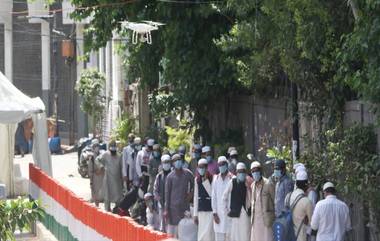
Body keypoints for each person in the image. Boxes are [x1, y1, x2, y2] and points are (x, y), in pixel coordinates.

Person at [164, 154, 194, 237]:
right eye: (175, 160)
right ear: (173, 163)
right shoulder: (170, 177)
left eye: (179, 160)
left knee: (184, 231)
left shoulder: (187, 173)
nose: (178, 162)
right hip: (172, 208)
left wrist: (191, 194)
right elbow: (167, 194)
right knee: (172, 233)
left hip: (184, 207)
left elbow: (194, 185)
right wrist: (166, 210)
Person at [223, 162, 251, 241]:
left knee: (245, 235)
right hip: (235, 214)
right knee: (235, 236)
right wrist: (226, 211)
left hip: (245, 215)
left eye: (243, 171)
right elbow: (224, 197)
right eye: (239, 171)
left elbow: (250, 198)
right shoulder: (232, 182)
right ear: (236, 172)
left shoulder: (248, 182)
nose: (241, 173)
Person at [285, 170, 313, 241]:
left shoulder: (288, 196)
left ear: (296, 183)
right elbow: (312, 223)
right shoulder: (307, 201)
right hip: (300, 237)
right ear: (306, 185)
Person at [250, 161, 275, 241]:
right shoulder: (252, 185)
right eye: (253, 171)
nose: (255, 173)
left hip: (266, 220)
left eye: (256, 170)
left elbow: (275, 200)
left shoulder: (268, 183)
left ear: (260, 171)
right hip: (255, 221)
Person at [96, 141, 123, 211]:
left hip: (117, 180)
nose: (113, 152)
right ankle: (107, 211)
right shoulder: (105, 154)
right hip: (108, 178)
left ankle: (117, 210)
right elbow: (97, 160)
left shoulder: (119, 156)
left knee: (118, 196)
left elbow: (122, 168)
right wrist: (101, 166)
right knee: (107, 196)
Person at [193, 158, 215, 241]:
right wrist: (195, 214)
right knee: (201, 236)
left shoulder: (212, 178)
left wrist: (206, 181)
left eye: (203, 167)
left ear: (206, 168)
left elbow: (212, 194)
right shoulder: (197, 179)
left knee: (209, 235)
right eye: (199, 167)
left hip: (210, 211)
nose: (201, 169)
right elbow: (196, 197)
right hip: (201, 211)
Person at [211, 156, 232, 241]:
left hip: (229, 214)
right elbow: (214, 197)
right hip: (218, 215)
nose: (221, 166)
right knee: (219, 237)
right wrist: (215, 213)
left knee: (229, 236)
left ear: (227, 165)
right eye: (219, 165)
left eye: (223, 164)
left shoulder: (232, 178)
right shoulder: (216, 178)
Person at [154, 154, 172, 232]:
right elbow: (155, 190)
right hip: (161, 204)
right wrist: (159, 199)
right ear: (162, 164)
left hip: (172, 205)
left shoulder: (173, 174)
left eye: (168, 162)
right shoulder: (159, 176)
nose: (166, 164)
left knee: (171, 226)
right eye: (165, 162)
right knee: (162, 225)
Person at [87, 139, 104, 207]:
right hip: (95, 178)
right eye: (95, 146)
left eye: (97, 146)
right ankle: (97, 207)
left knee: (103, 194)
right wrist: (91, 181)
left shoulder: (102, 155)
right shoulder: (91, 158)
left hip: (102, 177)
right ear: (93, 147)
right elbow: (90, 170)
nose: (97, 147)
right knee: (95, 195)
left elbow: (105, 165)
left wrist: (102, 170)